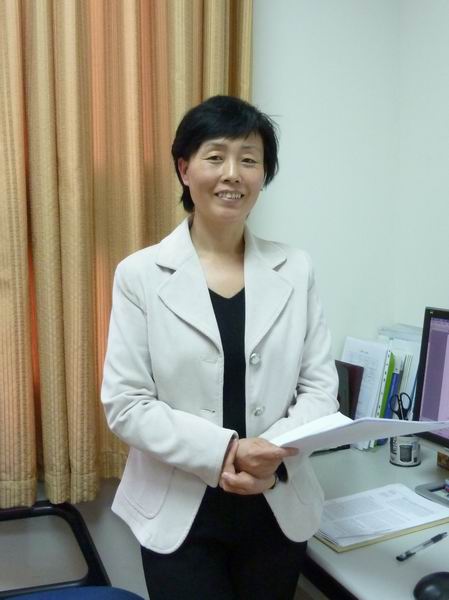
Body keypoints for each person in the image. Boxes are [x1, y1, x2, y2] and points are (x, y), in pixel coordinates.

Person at [101, 95, 339, 600]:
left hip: (277, 504)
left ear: (263, 175)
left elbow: (320, 391)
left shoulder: (296, 269)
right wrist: (228, 451)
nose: (233, 174)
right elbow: (127, 404)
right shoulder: (139, 275)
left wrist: (269, 453)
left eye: (249, 160)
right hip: (180, 515)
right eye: (215, 156)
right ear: (184, 169)